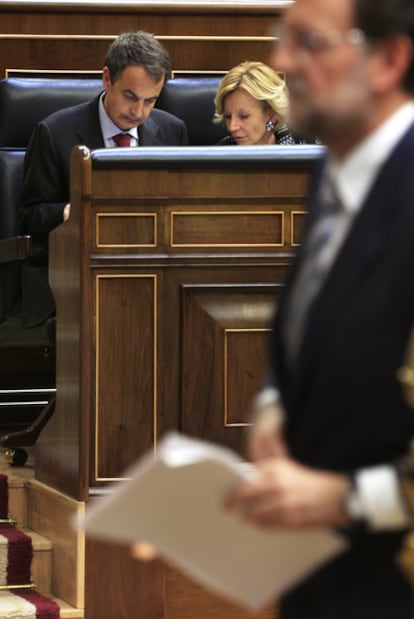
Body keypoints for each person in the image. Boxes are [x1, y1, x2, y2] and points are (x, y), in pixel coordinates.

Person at [224, 0, 414, 617]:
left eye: (309, 41)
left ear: (387, 59)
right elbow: (323, 328)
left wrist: (348, 500)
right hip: (321, 581)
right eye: (284, 39)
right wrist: (279, 403)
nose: (282, 61)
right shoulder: (336, 174)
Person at [19, 31, 188, 328]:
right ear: (107, 78)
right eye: (130, 97)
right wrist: (68, 213)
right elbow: (30, 218)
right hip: (75, 272)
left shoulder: (173, 132)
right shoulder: (54, 132)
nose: (139, 112)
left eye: (151, 101)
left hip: (150, 269)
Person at [213, 60, 308, 145]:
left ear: (272, 116)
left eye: (244, 116)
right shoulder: (219, 155)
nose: (232, 127)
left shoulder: (303, 147)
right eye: (228, 116)